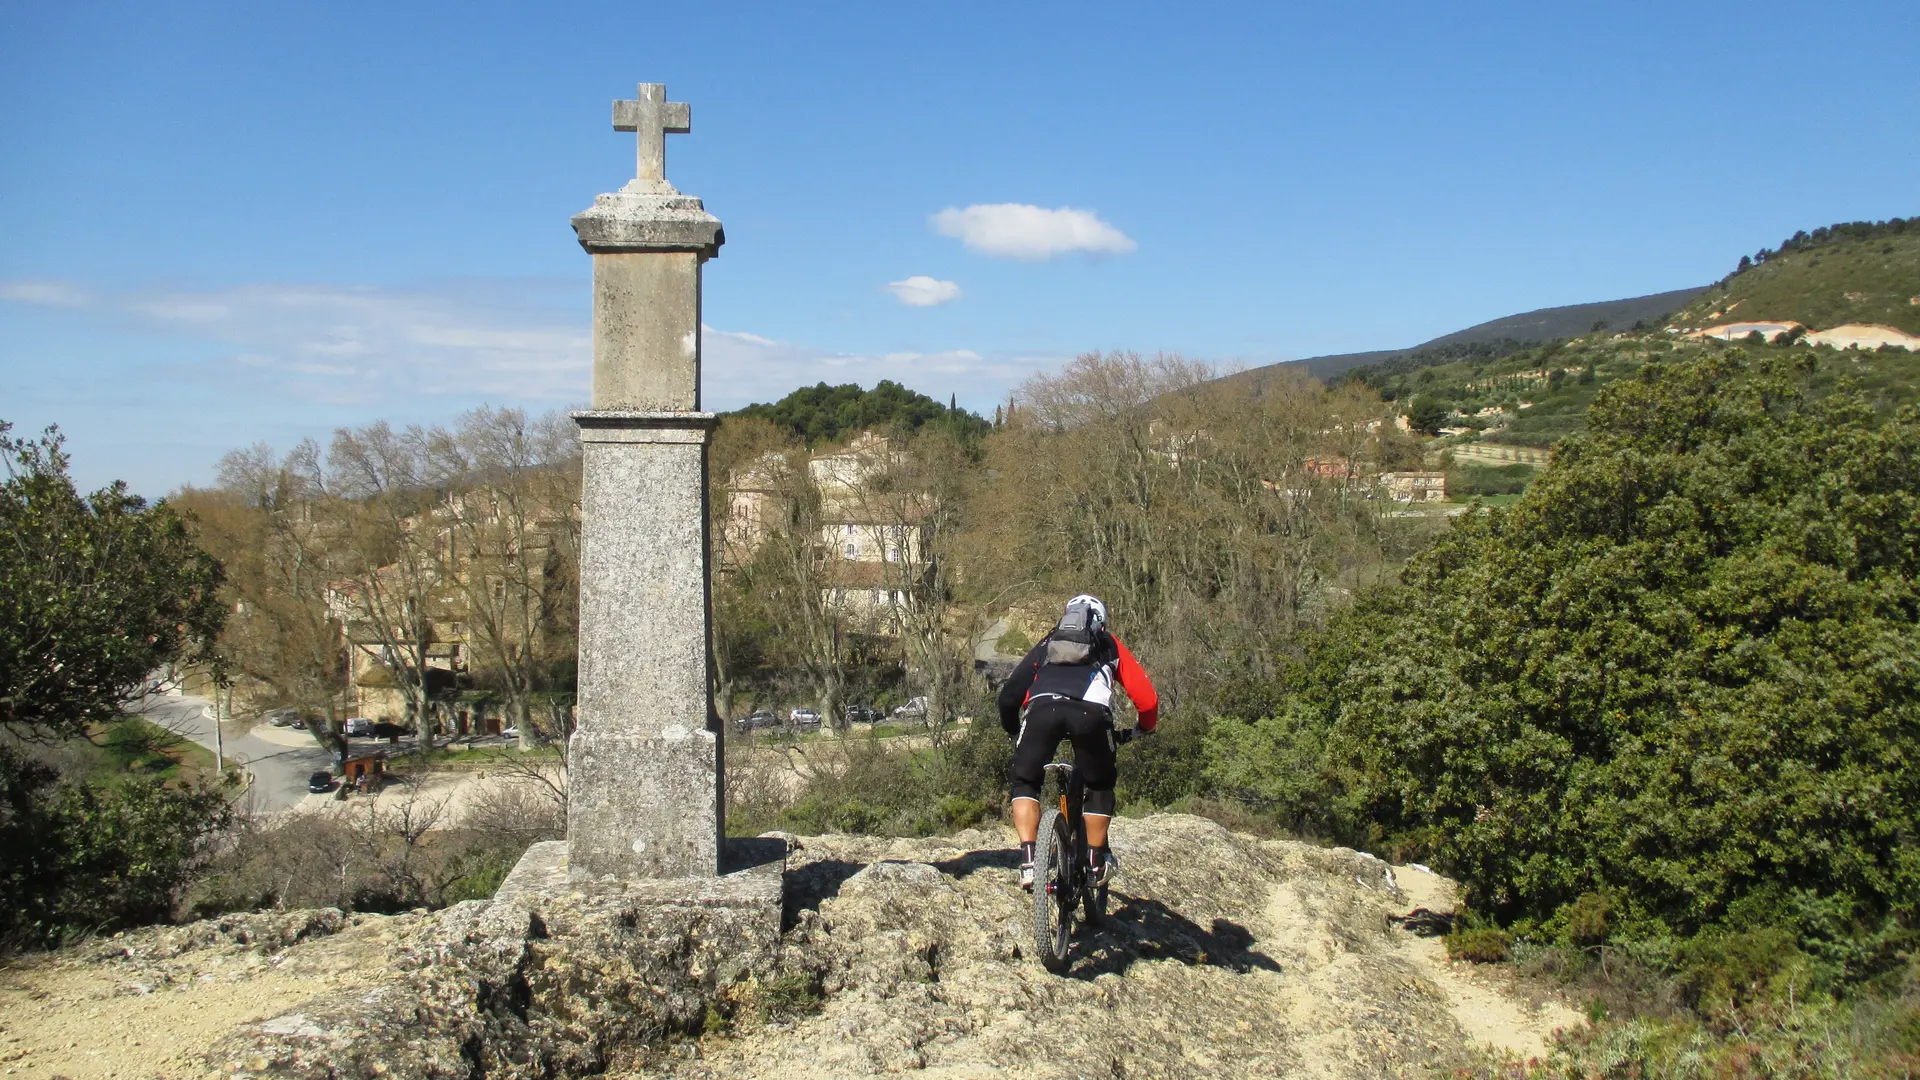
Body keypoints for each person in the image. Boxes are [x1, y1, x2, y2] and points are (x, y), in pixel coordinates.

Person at [998, 594, 1158, 891]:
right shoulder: (1109, 644)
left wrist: (1013, 729)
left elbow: (1009, 696)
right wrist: (1143, 729)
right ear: (1100, 622)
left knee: (1025, 781)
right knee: (1099, 784)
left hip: (1042, 711)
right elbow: (1147, 701)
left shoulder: (1048, 643)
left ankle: (1030, 861)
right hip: (1091, 715)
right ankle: (1096, 862)